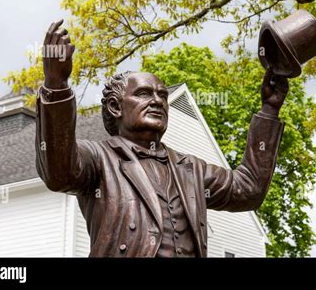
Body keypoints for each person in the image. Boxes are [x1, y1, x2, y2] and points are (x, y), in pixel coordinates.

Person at [36, 19, 288, 257]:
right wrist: (56, 84)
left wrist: (269, 110)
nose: (157, 101)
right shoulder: (99, 160)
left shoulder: (192, 170)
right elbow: (59, 172)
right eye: (144, 94)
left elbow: (249, 190)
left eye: (162, 96)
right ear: (115, 106)